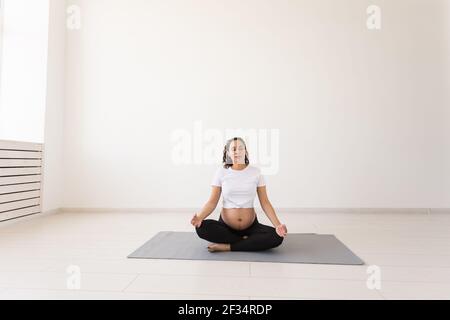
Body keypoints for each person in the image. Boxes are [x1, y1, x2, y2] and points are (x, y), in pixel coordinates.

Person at [191, 137, 288, 252]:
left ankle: (229, 246)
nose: (237, 151)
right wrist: (199, 217)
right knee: (201, 228)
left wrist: (278, 225)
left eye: (240, 148)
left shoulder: (256, 173)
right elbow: (212, 202)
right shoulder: (221, 172)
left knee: (277, 237)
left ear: (246, 152)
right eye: (234, 149)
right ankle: (248, 242)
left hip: (251, 227)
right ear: (228, 153)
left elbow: (265, 203)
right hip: (226, 227)